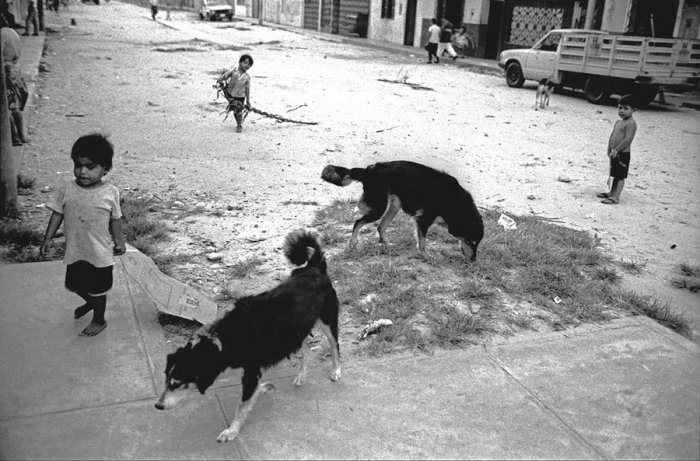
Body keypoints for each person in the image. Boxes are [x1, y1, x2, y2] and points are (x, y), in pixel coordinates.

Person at [40, 134, 126, 337]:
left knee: (98, 289)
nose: (82, 171)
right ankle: (90, 302)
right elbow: (57, 214)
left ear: (105, 168)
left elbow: (116, 219)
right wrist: (47, 238)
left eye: (90, 166)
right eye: (78, 165)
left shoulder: (110, 192)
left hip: (99, 252)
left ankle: (99, 319)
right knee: (73, 285)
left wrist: (119, 242)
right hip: (76, 249)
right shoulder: (67, 188)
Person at [597, 94, 637, 205]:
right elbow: (612, 135)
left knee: (620, 176)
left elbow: (628, 139)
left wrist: (617, 150)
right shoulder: (618, 122)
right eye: (619, 107)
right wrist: (609, 148)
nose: (621, 111)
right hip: (614, 153)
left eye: (625, 108)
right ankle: (611, 193)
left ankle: (616, 197)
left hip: (622, 154)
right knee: (614, 174)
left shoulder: (631, 123)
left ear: (634, 110)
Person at [2, 26, 27, 145]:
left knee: (8, 108)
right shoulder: (12, 33)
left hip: (6, 72)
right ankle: (22, 135)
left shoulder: (2, 36)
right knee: (16, 107)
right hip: (16, 70)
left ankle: (15, 137)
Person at [216, 53, 253, 133]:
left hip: (241, 97)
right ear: (240, 62)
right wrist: (219, 81)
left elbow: (247, 89)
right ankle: (238, 123)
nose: (247, 65)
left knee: (239, 110)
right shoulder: (234, 72)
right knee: (235, 111)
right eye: (245, 62)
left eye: (249, 64)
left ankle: (239, 125)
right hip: (231, 96)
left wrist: (248, 101)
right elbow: (225, 76)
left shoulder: (247, 77)